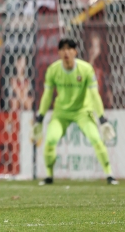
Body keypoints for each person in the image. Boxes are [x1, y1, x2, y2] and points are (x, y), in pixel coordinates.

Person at [32, 38, 118, 186]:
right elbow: (47, 96)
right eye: (63, 49)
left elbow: (94, 95)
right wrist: (40, 117)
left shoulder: (86, 69)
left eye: (69, 49)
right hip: (61, 113)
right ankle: (49, 176)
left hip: (82, 112)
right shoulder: (53, 70)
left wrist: (102, 119)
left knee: (96, 139)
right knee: (51, 140)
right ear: (58, 52)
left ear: (75, 51)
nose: (66, 52)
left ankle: (109, 174)